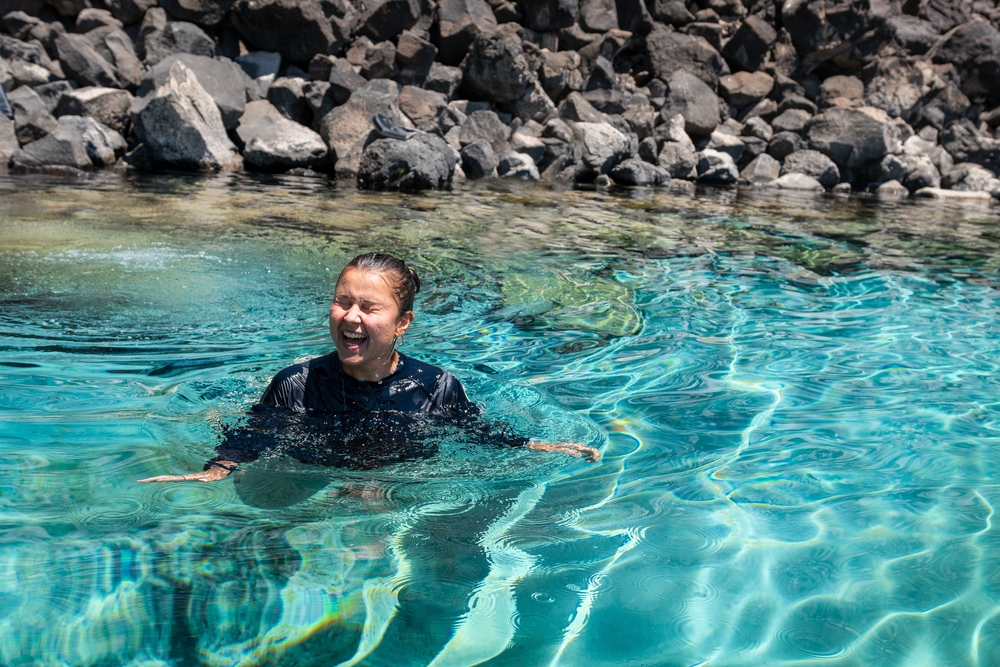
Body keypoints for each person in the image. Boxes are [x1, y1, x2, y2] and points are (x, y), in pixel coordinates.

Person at [138, 252, 601, 484]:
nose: (351, 317)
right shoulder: (295, 384)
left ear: (403, 323)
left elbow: (475, 434)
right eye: (342, 303)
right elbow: (253, 436)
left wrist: (538, 444)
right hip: (319, 477)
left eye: (368, 307)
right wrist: (216, 469)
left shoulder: (437, 387)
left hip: (393, 483)